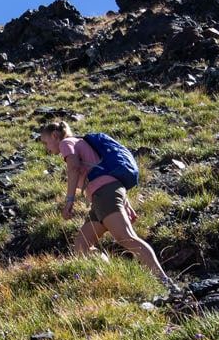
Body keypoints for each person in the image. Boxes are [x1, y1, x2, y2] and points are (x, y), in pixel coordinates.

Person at [37, 120, 173, 286]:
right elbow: (105, 173)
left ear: (54, 136)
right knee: (82, 245)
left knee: (126, 238)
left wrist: (69, 201)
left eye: (45, 142)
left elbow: (73, 168)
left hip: (104, 194)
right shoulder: (80, 142)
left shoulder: (66, 143)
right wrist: (125, 201)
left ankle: (163, 281)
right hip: (101, 197)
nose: (46, 148)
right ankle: (112, 277)